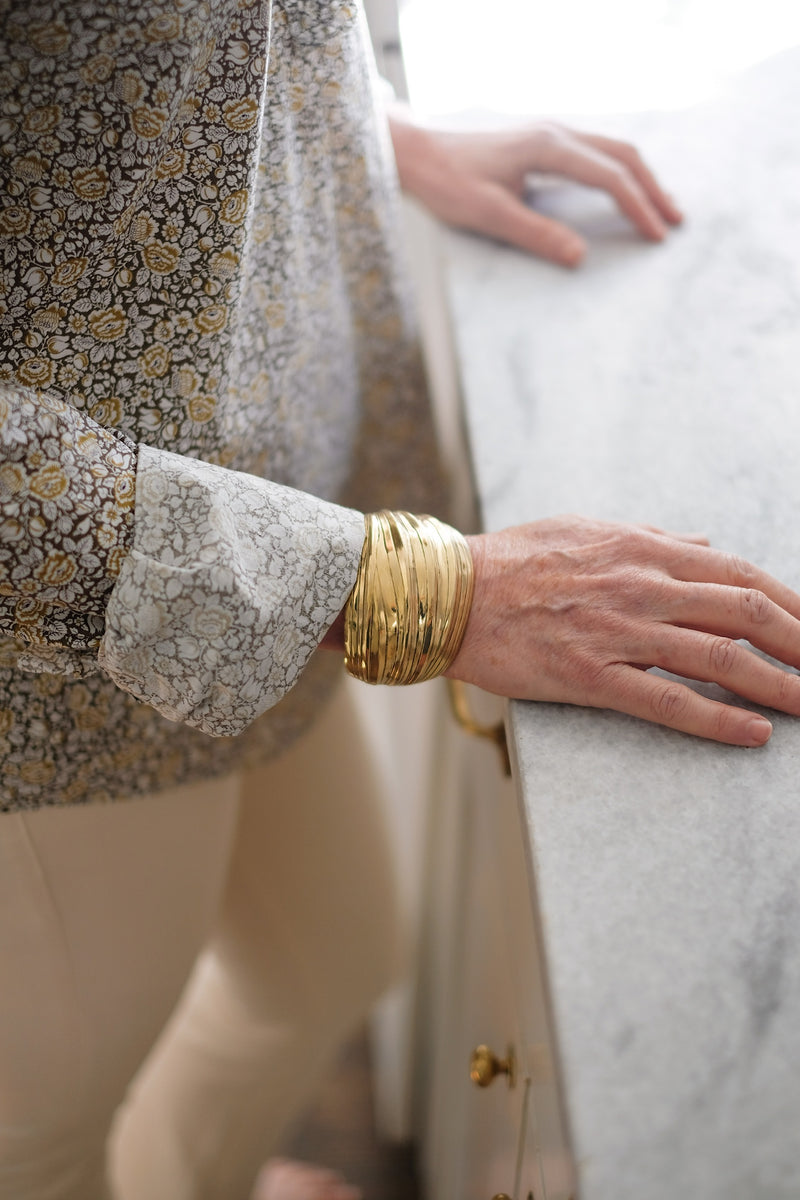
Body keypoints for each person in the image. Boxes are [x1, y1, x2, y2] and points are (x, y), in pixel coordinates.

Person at [2, 3, 800, 1199]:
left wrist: (356, 133)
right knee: (46, 1131)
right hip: (56, 682)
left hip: (273, 524)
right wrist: (434, 593)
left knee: (327, 962)